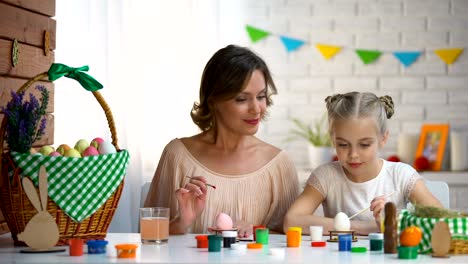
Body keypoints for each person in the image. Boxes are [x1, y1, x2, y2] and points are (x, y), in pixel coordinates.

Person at [144, 45, 299, 237]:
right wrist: (182, 222)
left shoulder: (279, 165)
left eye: (261, 97)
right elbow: (149, 239)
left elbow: (294, 242)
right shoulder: (177, 154)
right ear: (213, 101)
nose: (256, 109)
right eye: (242, 99)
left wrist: (257, 231)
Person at [283, 92, 443, 235]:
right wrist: (368, 227)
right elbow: (292, 222)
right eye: (343, 145)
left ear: (383, 139)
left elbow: (442, 220)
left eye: (364, 145)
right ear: (333, 139)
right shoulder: (326, 176)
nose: (353, 155)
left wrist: (395, 218)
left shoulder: (401, 175)